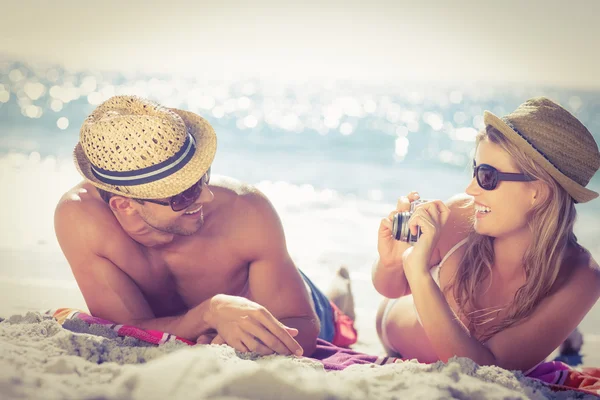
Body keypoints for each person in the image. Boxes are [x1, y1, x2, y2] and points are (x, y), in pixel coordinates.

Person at [54, 95, 356, 358]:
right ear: (125, 205)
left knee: (336, 316)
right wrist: (210, 313)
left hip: (288, 304)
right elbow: (129, 330)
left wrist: (249, 339)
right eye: (183, 193)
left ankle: (340, 287)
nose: (206, 196)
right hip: (220, 312)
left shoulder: (246, 211)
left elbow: (302, 325)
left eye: (201, 177)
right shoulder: (82, 221)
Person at [373, 97, 600, 371]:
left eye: (487, 176)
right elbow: (391, 288)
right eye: (474, 169)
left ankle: (566, 340)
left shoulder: (579, 276)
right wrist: (393, 261)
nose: (471, 189)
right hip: (392, 329)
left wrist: (420, 275)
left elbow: (487, 370)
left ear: (538, 193)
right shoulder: (459, 215)